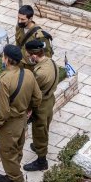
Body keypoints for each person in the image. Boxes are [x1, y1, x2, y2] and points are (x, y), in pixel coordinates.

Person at [0, 44, 41, 182]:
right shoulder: (28, 73)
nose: (2, 58)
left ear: (7, 59)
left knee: (7, 153)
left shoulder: (4, 80)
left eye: (3, 56)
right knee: (17, 149)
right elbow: (38, 97)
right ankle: (11, 176)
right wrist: (30, 109)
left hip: (10, 123)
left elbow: (4, 110)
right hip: (22, 120)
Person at [23, 38, 59, 171]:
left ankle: (41, 160)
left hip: (41, 104)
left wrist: (29, 108)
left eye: (28, 55)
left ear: (33, 55)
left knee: (39, 131)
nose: (28, 58)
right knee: (45, 126)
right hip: (50, 100)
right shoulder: (50, 61)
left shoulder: (40, 73)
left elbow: (34, 93)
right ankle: (39, 146)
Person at [15, 5, 53, 71]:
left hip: (32, 68)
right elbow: (18, 44)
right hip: (20, 64)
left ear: (30, 19)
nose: (19, 21)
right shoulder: (19, 27)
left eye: (23, 19)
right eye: (18, 18)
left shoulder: (40, 36)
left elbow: (47, 56)